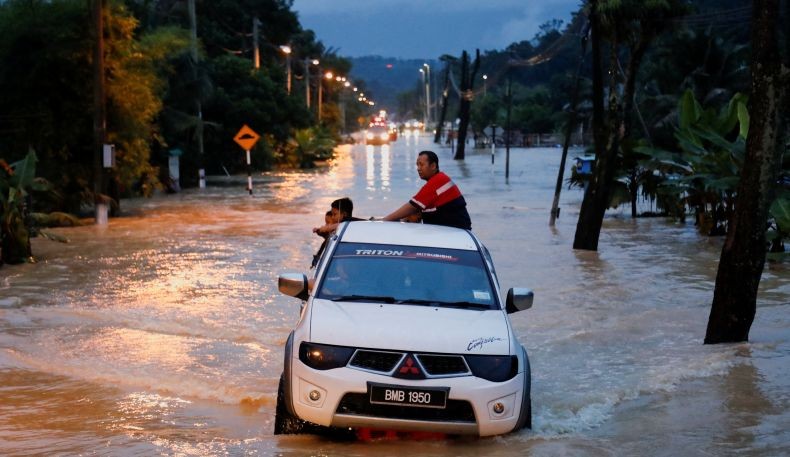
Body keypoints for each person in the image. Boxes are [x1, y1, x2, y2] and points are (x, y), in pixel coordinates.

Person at [381, 150, 471, 230]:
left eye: (422, 164)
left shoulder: (438, 181)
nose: (418, 168)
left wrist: (384, 220)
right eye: (417, 165)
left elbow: (412, 206)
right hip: (457, 229)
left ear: (433, 166)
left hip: (456, 231)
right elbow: (418, 207)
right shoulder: (440, 179)